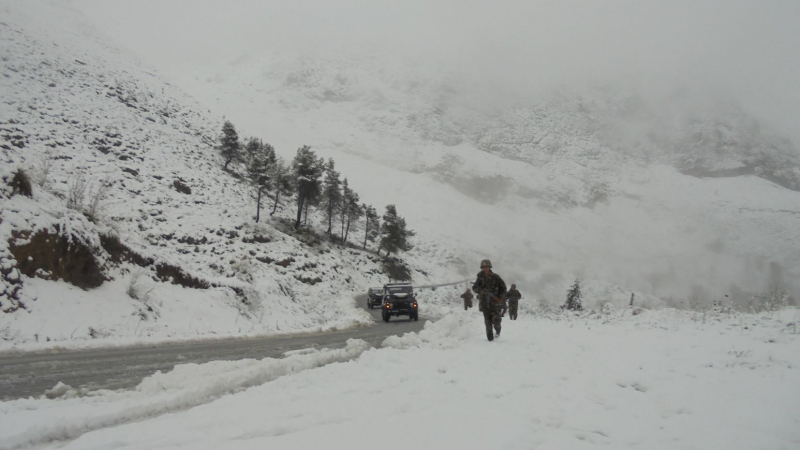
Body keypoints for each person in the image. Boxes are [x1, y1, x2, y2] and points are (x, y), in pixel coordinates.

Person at [472, 259, 507, 341]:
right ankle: (490, 339)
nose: (485, 268)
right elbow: (474, 288)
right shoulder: (480, 277)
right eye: (483, 267)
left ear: (489, 267)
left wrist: (500, 298)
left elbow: (503, 288)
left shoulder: (496, 277)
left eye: (487, 266)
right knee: (487, 323)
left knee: (496, 321)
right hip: (485, 304)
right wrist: (480, 291)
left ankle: (497, 331)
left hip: (496, 304)